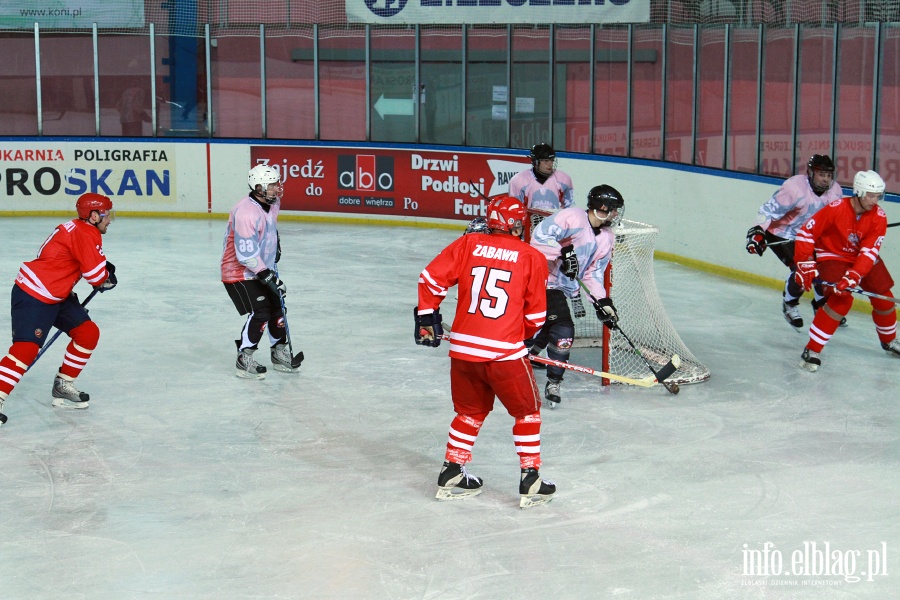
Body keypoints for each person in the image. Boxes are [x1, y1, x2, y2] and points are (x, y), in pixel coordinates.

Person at [415, 195, 555, 509]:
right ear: (517, 224)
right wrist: (523, 338)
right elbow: (535, 317)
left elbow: (431, 279)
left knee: (470, 412)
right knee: (527, 412)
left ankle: (452, 470)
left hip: (463, 352)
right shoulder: (530, 256)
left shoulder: (467, 244)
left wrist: (427, 317)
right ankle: (530, 478)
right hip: (504, 354)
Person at [0, 193, 117, 426]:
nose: (109, 220)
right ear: (93, 216)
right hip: (34, 294)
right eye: (106, 215)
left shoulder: (74, 227)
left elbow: (55, 258)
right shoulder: (86, 233)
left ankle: (63, 384)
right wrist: (106, 277)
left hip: (57, 293)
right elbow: (95, 276)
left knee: (87, 333)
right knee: (25, 349)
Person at [793, 170, 900, 371]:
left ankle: (889, 341)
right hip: (832, 256)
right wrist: (804, 262)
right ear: (858, 192)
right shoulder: (835, 209)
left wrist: (854, 275)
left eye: (878, 196)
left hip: (860, 258)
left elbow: (869, 252)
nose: (874, 200)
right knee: (841, 300)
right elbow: (806, 232)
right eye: (870, 195)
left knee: (884, 297)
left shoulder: (879, 216)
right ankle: (812, 350)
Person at [529, 185, 624, 408]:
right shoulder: (571, 217)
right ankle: (553, 381)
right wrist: (562, 253)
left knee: (547, 323)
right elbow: (538, 238)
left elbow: (593, 273)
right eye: (614, 209)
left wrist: (602, 303)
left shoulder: (607, 237)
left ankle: (529, 354)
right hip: (540, 280)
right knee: (563, 328)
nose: (617, 214)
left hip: (562, 288)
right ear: (602, 207)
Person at [221, 164, 303, 380]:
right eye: (273, 185)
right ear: (258, 187)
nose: (278, 188)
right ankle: (244, 358)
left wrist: (275, 246)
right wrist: (268, 277)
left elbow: (269, 229)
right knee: (262, 311)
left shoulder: (273, 203)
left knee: (278, 306)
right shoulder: (245, 212)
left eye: (278, 184)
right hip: (238, 271)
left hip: (259, 268)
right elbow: (246, 255)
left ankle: (279, 353)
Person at [746, 154, 844, 330]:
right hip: (782, 234)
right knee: (801, 269)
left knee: (825, 267)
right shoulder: (794, 188)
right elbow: (767, 211)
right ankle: (789, 304)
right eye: (821, 174)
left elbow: (835, 218)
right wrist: (757, 232)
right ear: (811, 173)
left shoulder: (835, 191)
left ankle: (821, 304)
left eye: (829, 175)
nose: (826, 180)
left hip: (809, 235)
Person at [508, 142, 575, 241]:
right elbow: (515, 211)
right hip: (529, 232)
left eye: (552, 160)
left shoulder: (564, 179)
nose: (550, 164)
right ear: (536, 162)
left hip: (555, 230)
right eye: (546, 161)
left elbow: (570, 207)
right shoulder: (518, 181)